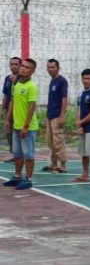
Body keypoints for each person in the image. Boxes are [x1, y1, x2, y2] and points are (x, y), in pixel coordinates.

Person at [3, 59, 39, 190]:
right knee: (17, 154)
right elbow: (12, 101)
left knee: (28, 154)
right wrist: (8, 119)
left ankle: (28, 180)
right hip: (16, 126)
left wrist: (26, 126)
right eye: (23, 66)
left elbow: (31, 107)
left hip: (27, 128)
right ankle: (17, 177)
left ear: (33, 71)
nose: (23, 69)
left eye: (27, 67)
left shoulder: (31, 86)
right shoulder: (16, 83)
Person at [44, 59, 68, 173]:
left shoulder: (62, 81)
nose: (50, 69)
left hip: (57, 115)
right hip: (50, 114)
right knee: (50, 141)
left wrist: (62, 115)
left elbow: (64, 98)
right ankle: (53, 163)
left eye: (53, 67)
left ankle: (62, 164)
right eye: (49, 67)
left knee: (58, 140)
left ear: (58, 68)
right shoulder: (52, 81)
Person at [2, 57, 20, 159]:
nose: (13, 66)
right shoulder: (7, 78)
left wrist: (16, 81)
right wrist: (2, 107)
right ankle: (13, 153)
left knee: (16, 132)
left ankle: (19, 155)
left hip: (17, 110)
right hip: (7, 109)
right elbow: (5, 94)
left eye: (16, 64)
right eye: (12, 64)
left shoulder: (21, 79)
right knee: (8, 131)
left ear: (19, 66)